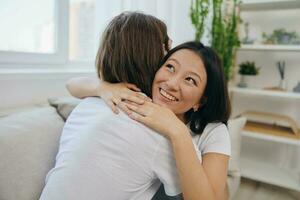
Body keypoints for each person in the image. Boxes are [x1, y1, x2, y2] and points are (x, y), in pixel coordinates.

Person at [67, 42, 231, 200]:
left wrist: (178, 131)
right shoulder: (141, 100)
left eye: (190, 80)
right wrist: (102, 87)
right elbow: (72, 85)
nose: (172, 83)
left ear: (200, 101)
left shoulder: (214, 132)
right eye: (170, 67)